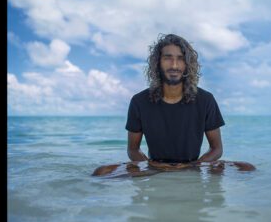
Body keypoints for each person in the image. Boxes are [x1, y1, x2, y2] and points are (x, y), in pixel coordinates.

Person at [92, 33, 255, 177]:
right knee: (101, 172)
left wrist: (193, 166)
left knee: (247, 168)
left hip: (193, 166)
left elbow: (216, 149)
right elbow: (133, 149)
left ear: (188, 64)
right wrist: (151, 166)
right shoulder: (139, 101)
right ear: (157, 62)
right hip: (155, 167)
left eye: (181, 58)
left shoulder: (205, 100)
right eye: (167, 58)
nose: (174, 65)